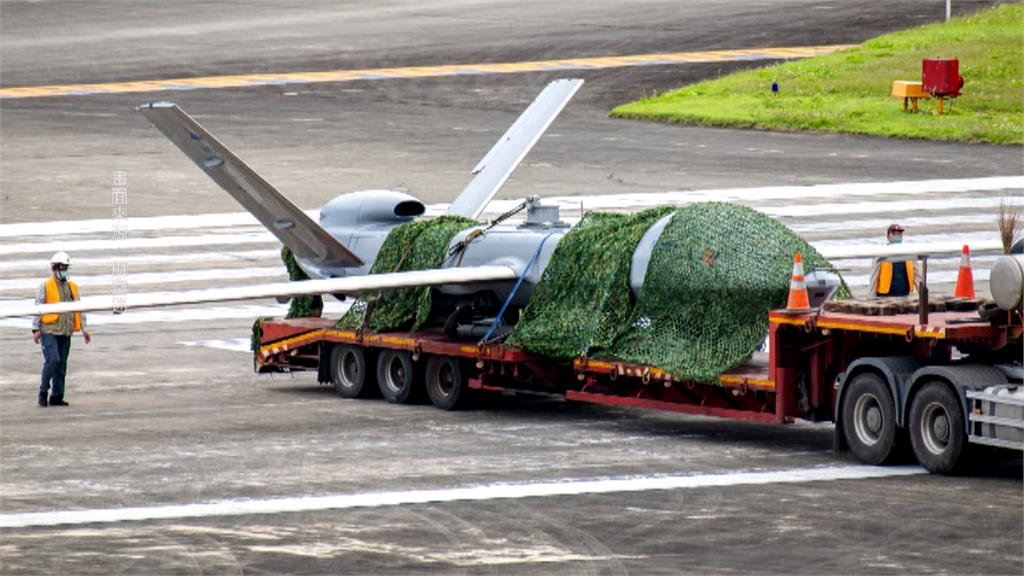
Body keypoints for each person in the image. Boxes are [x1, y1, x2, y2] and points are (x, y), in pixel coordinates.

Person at [32, 252, 90, 407]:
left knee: (61, 364)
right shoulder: (45, 285)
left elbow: (80, 308)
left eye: (66, 268)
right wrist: (35, 329)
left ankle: (57, 397)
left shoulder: (73, 287)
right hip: (49, 330)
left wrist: (84, 329)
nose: (64, 271)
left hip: (65, 331)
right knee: (53, 360)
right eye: (62, 268)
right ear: (54, 268)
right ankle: (43, 391)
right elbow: (38, 307)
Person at [869, 224, 918, 298]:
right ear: (888, 237)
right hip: (885, 295)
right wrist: (871, 297)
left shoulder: (908, 253)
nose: (897, 236)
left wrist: (920, 294)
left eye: (899, 234)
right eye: (894, 234)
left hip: (904, 294)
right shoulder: (881, 253)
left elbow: (917, 275)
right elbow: (874, 276)